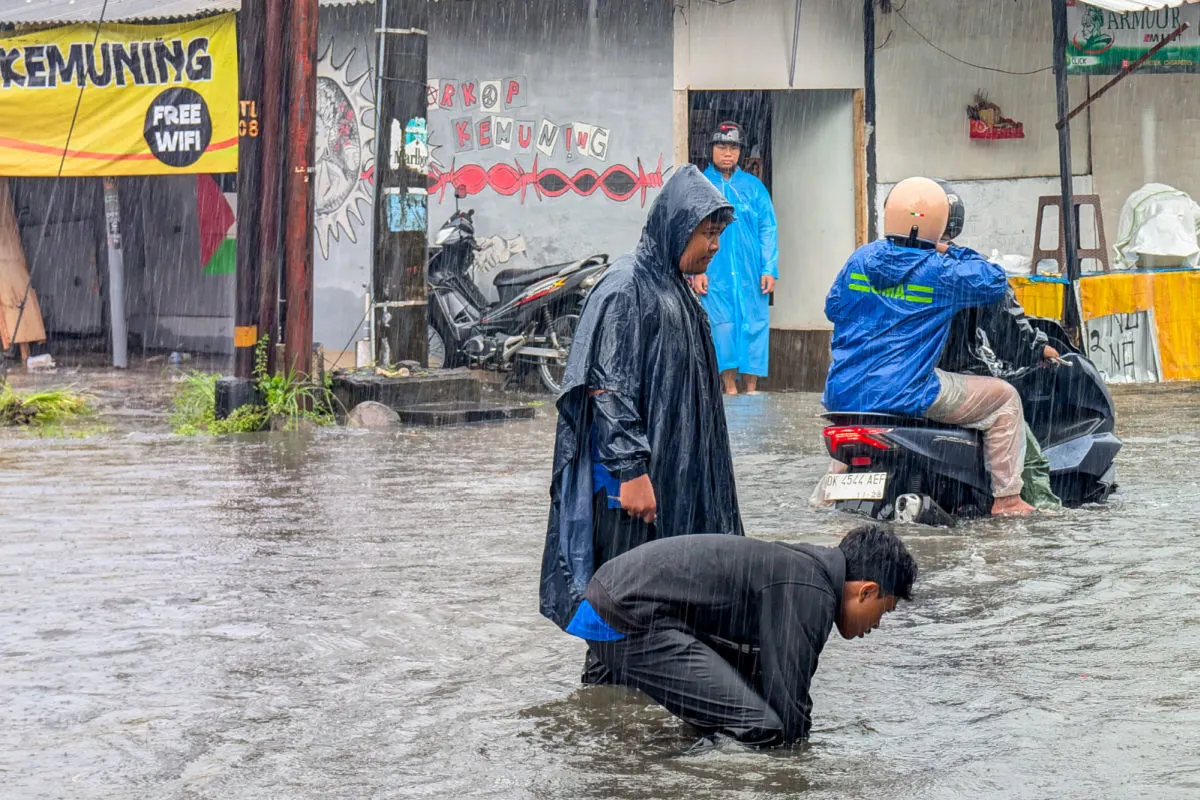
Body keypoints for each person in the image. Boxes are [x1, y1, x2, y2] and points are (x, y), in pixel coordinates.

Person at [538, 164, 745, 684]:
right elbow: (607, 385)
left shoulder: (674, 287)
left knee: (661, 605)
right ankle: (606, 716)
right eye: (707, 232)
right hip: (631, 493)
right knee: (624, 608)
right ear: (677, 226)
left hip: (668, 484)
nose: (714, 245)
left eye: (718, 234)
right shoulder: (626, 287)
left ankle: (634, 714)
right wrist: (632, 470)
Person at [567, 525, 917, 748]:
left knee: (751, 701)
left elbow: (771, 678)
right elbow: (789, 707)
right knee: (762, 728)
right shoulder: (811, 592)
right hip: (624, 618)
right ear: (867, 591)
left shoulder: (807, 568)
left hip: (614, 597)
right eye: (884, 611)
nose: (876, 626)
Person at [822, 177, 1036, 516]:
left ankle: (826, 498)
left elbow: (833, 308)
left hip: (844, 393)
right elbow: (995, 282)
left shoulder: (861, 259)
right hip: (905, 392)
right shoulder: (940, 270)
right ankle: (1008, 500)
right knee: (1006, 400)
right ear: (941, 225)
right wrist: (947, 248)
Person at [693, 121, 779, 396]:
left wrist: (769, 268)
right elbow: (690, 229)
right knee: (722, 327)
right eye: (722, 146)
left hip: (751, 271)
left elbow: (768, 227)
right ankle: (728, 386)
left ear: (740, 151)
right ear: (711, 149)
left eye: (733, 147)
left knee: (754, 325)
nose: (727, 152)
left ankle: (752, 388)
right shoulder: (701, 185)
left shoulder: (754, 187)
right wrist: (696, 270)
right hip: (714, 270)